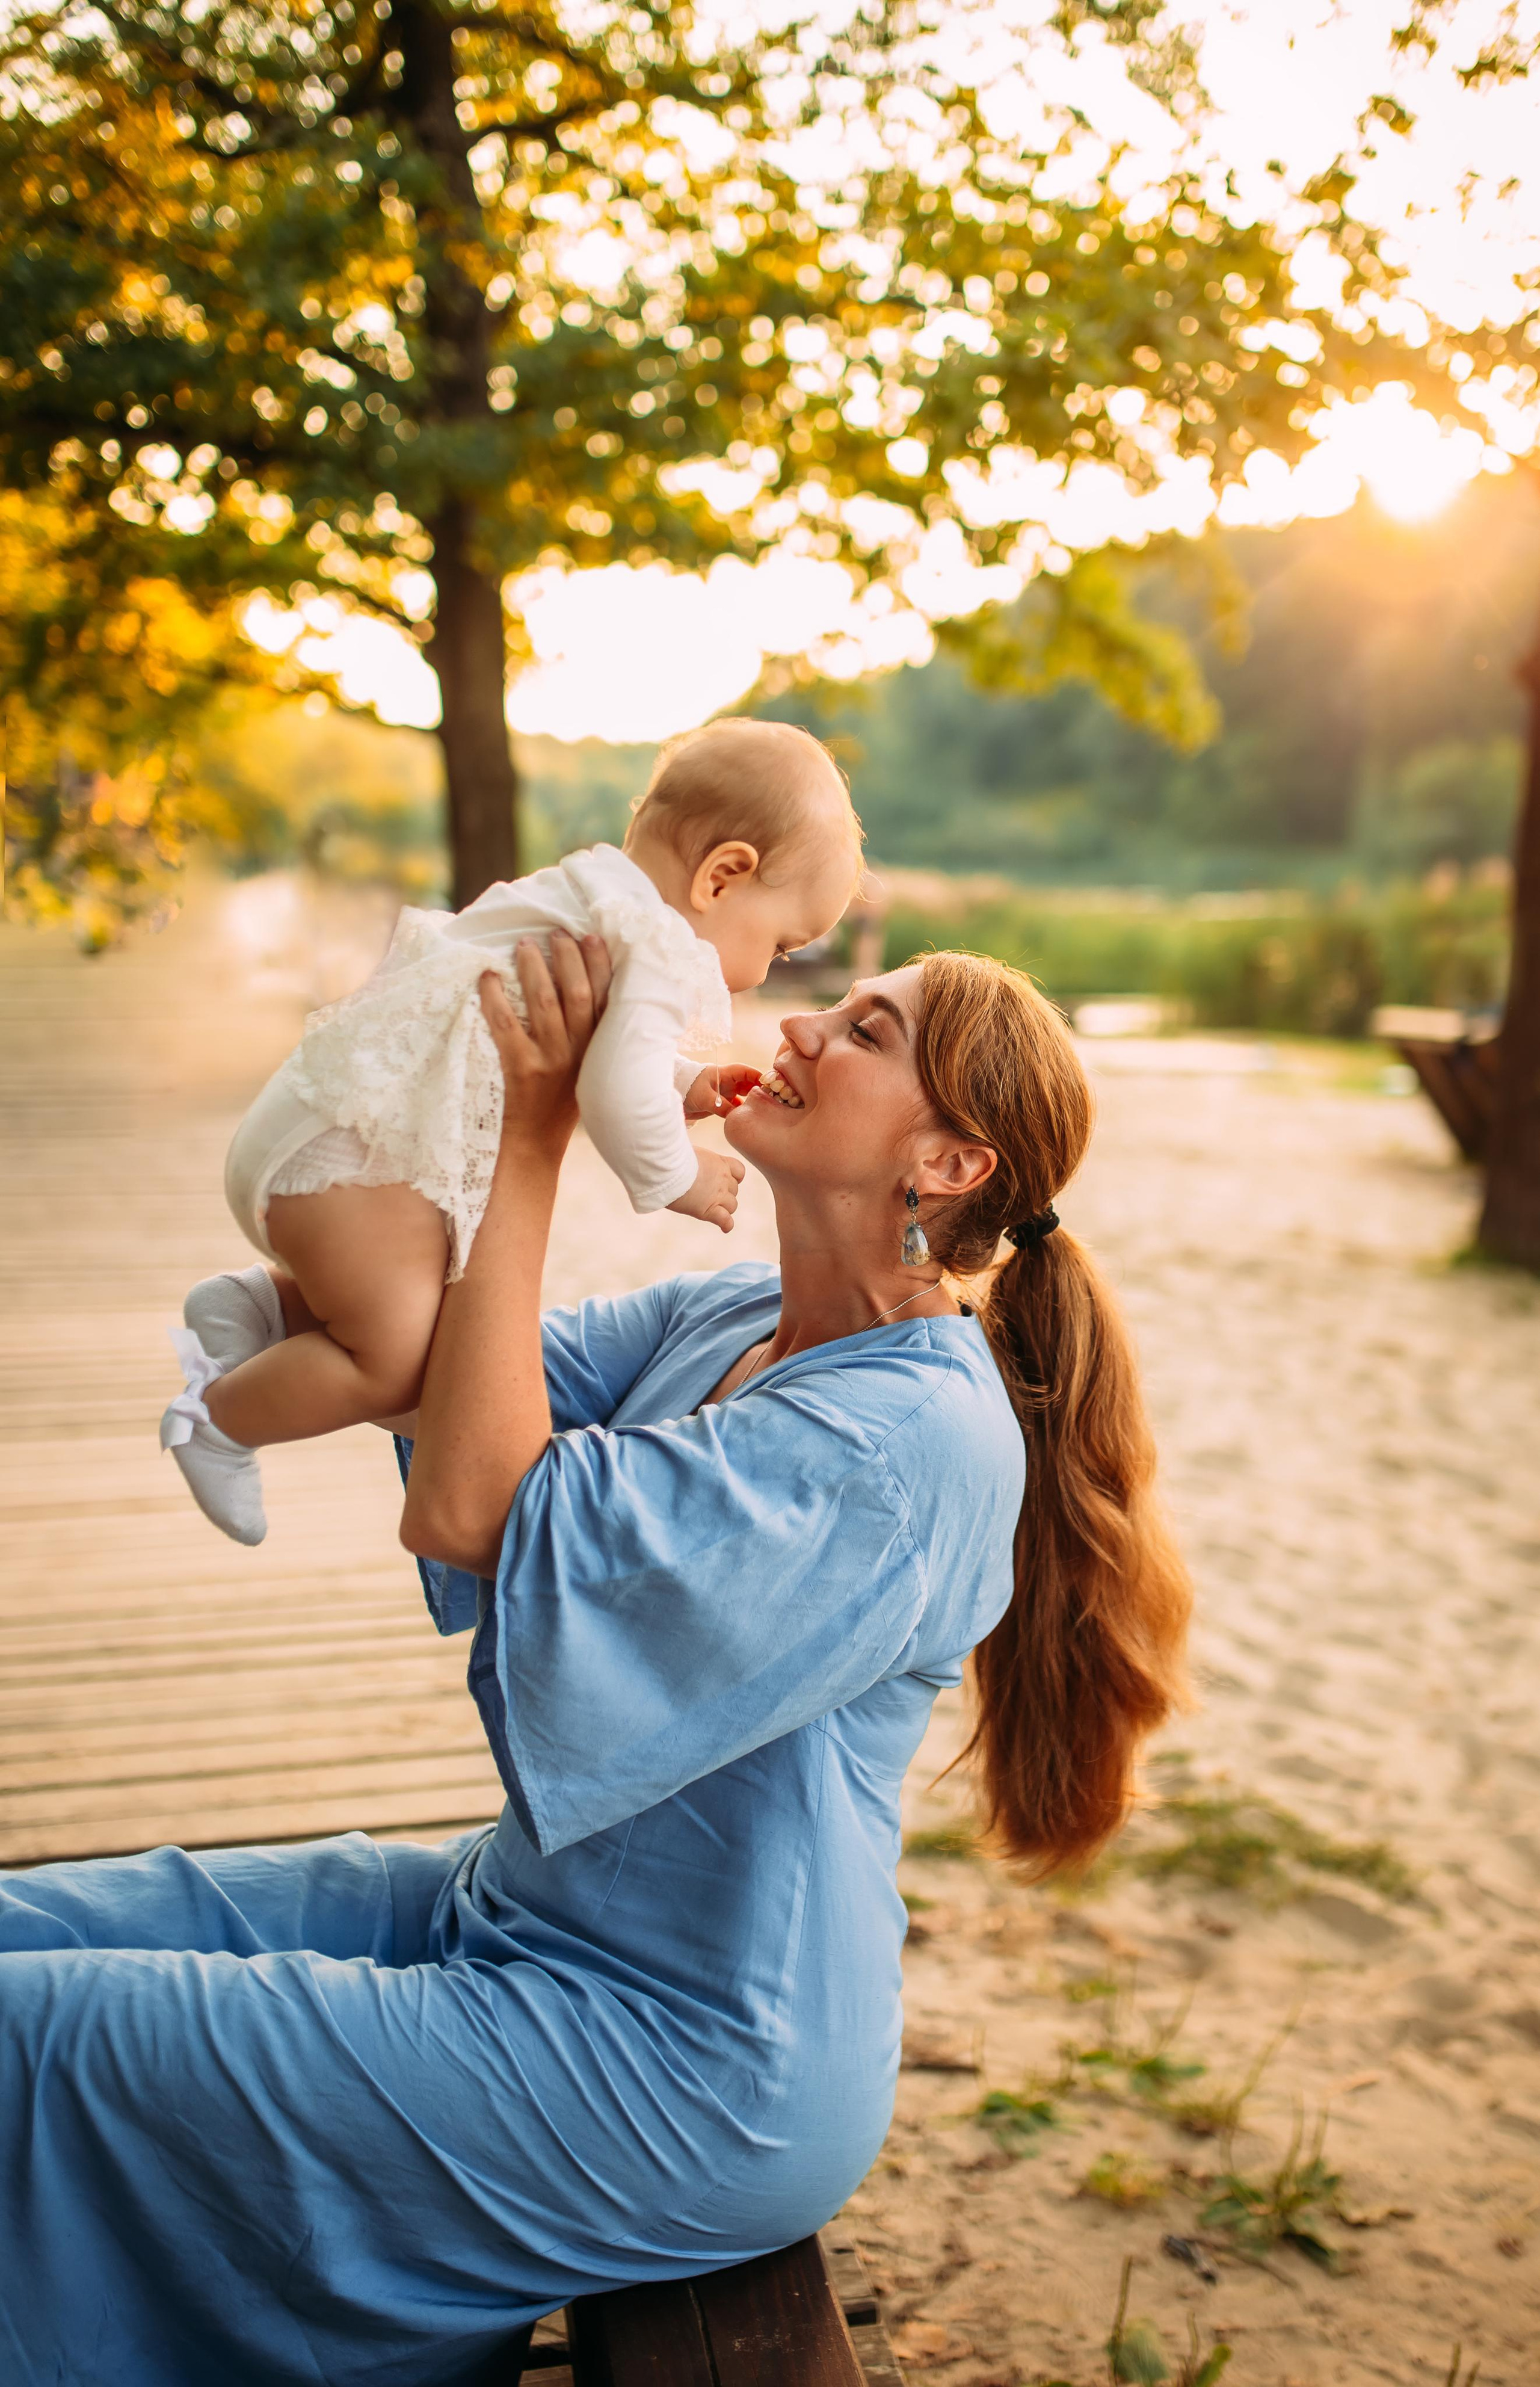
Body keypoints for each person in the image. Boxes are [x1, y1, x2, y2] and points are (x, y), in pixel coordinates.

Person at [0, 933, 1190, 2387]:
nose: (805, 1025)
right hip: (520, 1918)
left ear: (946, 1163)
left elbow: (471, 1502)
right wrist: (431, 1071)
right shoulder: (735, 1318)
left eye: (866, 1032)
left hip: (684, 2056)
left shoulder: (904, 1446)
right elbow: (428, 1356)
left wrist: (531, 1135)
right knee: (29, 1934)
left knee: (41, 2041)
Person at [161, 717, 860, 1546]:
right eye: (780, 946)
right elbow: (608, 1086)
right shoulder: (664, 947)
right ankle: (218, 1422)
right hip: (350, 1167)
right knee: (393, 1358)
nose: (763, 970)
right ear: (724, 875)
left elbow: (601, 1051)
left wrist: (688, 1085)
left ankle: (255, 1303)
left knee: (413, 1300)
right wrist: (681, 1178)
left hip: (317, 1119)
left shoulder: (588, 892)